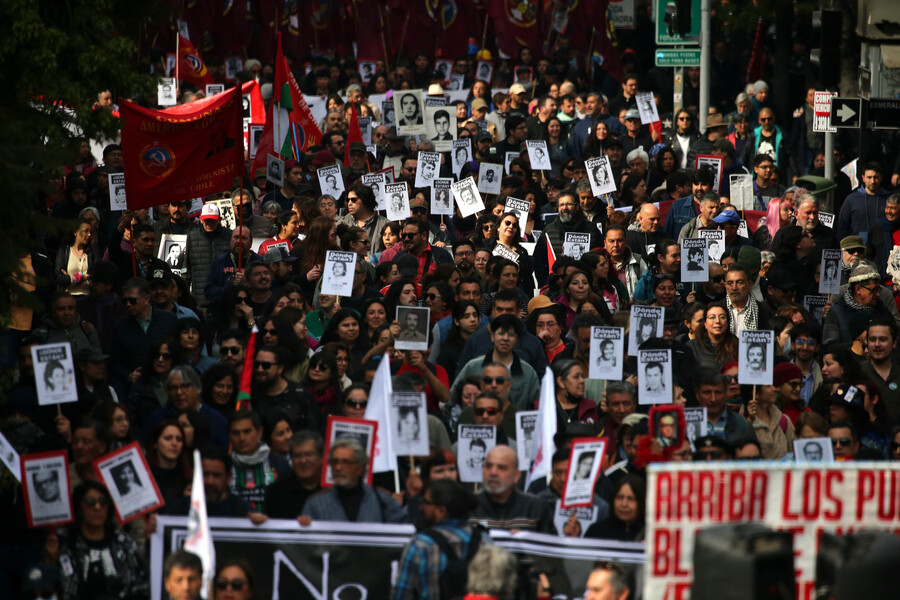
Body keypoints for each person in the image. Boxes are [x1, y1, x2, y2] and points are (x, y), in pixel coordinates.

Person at [390, 480, 487, 600]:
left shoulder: (420, 545)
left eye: (425, 502)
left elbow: (401, 594)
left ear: (441, 511)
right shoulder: (484, 542)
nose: (421, 507)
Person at [301, 438, 409, 523]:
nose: (338, 468)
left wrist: (413, 498)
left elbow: (407, 529)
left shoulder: (382, 500)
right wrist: (304, 528)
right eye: (335, 462)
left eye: (346, 462)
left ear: (360, 467)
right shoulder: (316, 504)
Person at [471, 445, 555, 533]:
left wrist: (524, 540)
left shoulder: (535, 508)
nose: (493, 472)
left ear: (516, 476)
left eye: (501, 468)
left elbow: (550, 544)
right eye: (488, 466)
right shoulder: (468, 506)